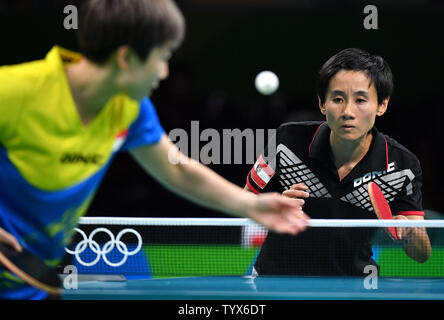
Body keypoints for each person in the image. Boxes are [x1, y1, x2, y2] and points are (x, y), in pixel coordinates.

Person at [0, 0, 308, 300]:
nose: (163, 73)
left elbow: (175, 169)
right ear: (126, 59)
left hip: (33, 278)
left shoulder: (128, 108)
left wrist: (249, 206)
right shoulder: (13, 92)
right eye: (162, 57)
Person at [244, 48, 431, 276]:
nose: (348, 112)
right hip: (277, 278)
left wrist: (409, 232)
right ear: (322, 104)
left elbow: (422, 255)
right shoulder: (287, 141)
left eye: (361, 100)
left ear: (382, 105)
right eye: (338, 99)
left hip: (354, 284)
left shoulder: (403, 166)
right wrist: (273, 206)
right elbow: (244, 201)